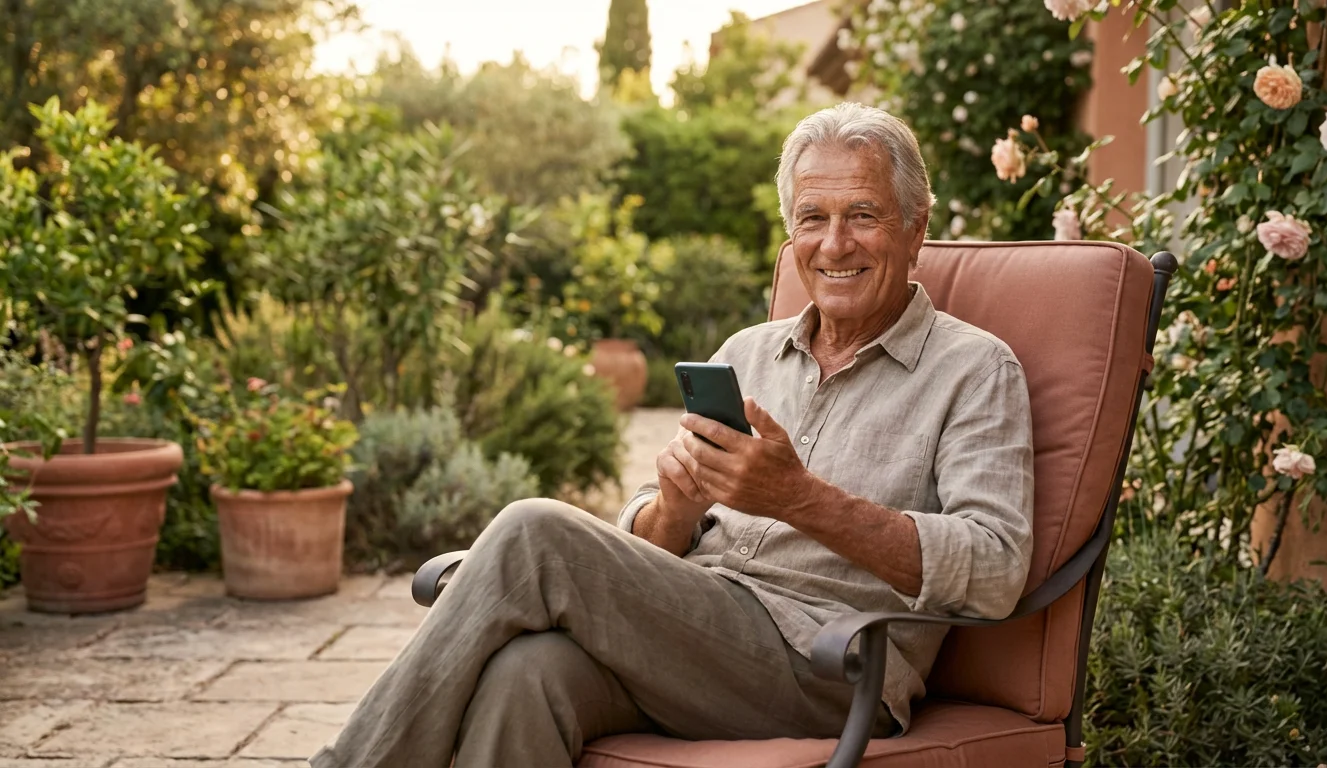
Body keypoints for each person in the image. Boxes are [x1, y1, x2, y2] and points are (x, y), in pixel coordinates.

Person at [310, 102, 1034, 768]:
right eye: (812, 218)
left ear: (916, 225)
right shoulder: (748, 352)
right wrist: (675, 512)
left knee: (536, 533)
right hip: (694, 634)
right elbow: (655, 538)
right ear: (791, 231)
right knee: (526, 677)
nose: (834, 243)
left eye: (864, 215)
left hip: (830, 665)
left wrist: (799, 499)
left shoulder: (973, 370)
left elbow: (998, 568)